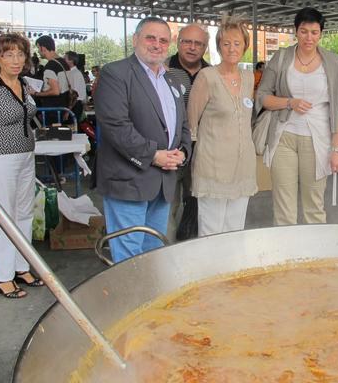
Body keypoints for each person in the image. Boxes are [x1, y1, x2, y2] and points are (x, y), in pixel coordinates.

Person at [94, 17, 191, 263]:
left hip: (163, 180)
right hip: (129, 179)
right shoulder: (116, 73)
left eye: (163, 40)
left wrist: (182, 152)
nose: (157, 44)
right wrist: (154, 155)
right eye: (150, 38)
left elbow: (182, 124)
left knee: (153, 253)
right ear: (135, 39)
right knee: (129, 258)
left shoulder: (171, 79)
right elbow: (116, 126)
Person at [255, 7, 338, 225]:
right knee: (283, 208)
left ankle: (315, 247)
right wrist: (289, 102)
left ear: (321, 33)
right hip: (283, 136)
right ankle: (286, 247)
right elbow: (262, 96)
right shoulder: (281, 58)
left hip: (318, 140)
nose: (309, 37)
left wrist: (337, 150)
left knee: (314, 206)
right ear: (296, 31)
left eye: (314, 32)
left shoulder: (333, 63)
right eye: (304, 31)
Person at [187, 16, 256, 236]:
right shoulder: (207, 77)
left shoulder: (248, 77)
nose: (232, 48)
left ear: (245, 46)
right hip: (213, 166)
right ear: (218, 47)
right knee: (211, 231)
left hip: (243, 166)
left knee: (235, 230)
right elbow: (191, 120)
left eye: (237, 43)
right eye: (226, 43)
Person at [0, 33, 43, 298]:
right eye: (8, 54)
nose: (15, 60)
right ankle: (2, 275)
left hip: (25, 155)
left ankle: (21, 266)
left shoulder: (23, 83)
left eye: (20, 54)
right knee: (4, 217)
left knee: (24, 213)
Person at [165, 24, 210, 242]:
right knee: (167, 207)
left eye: (198, 43)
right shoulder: (162, 71)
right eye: (187, 42)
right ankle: (165, 253)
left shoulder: (211, 74)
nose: (192, 47)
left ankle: (193, 251)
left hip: (202, 152)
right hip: (170, 152)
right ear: (178, 43)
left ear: (205, 47)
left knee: (198, 208)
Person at [32, 35, 70, 108]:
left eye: (38, 48)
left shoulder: (50, 66)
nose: (38, 51)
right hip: (64, 106)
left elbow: (55, 91)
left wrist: (36, 93)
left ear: (43, 48)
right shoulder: (63, 62)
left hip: (53, 108)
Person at [64, 51, 88, 121]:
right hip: (73, 104)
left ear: (71, 61)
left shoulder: (75, 74)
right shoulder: (71, 72)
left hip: (75, 104)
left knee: (72, 125)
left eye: (65, 59)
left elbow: (74, 95)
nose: (63, 61)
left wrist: (68, 111)